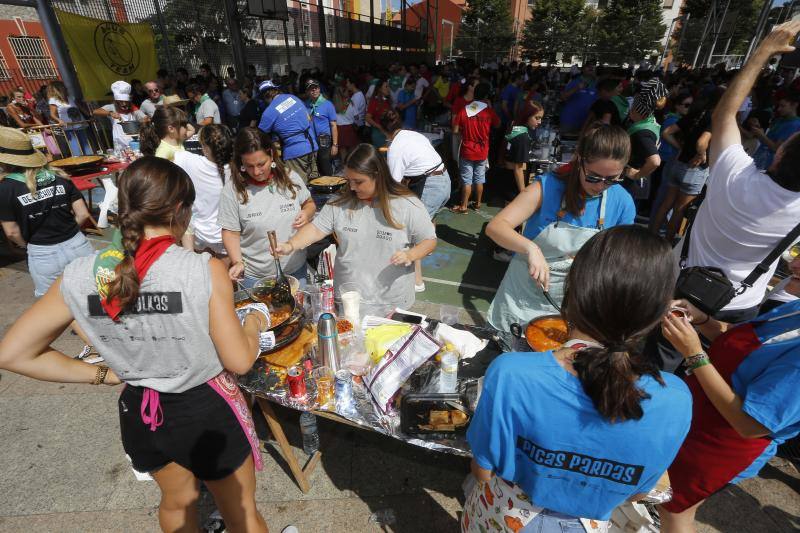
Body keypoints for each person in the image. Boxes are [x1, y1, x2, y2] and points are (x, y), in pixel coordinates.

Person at [0, 156, 270, 533]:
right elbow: (239, 360)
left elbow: (12, 353)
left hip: (140, 410)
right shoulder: (201, 269)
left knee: (176, 503)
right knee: (240, 512)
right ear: (179, 210)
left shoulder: (80, 274)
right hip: (203, 408)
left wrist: (102, 375)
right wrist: (256, 322)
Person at [464, 226, 692, 532]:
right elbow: (639, 491)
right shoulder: (676, 398)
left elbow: (482, 471)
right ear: (659, 313)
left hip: (502, 518)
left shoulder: (511, 373)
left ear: (572, 290)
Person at [646, 21, 800, 373]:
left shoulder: (734, 173)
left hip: (681, 287)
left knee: (659, 366)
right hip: (739, 303)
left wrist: (764, 51)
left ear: (778, 155)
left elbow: (724, 113)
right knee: (712, 371)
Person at [657, 257, 800, 532]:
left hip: (724, 443)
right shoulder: (794, 309)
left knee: (675, 508)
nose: (794, 263)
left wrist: (694, 354)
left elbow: (751, 425)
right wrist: (702, 320)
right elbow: (736, 338)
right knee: (661, 491)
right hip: (700, 415)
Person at [486, 123, 636, 332]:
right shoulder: (547, 186)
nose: (600, 186)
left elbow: (620, 258)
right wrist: (531, 249)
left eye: (611, 179)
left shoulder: (622, 201)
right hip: (524, 294)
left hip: (575, 300)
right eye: (593, 177)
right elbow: (496, 227)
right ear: (579, 159)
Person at [274, 143, 437, 310]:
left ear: (378, 175)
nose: (352, 187)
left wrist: (410, 255)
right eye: (349, 180)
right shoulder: (340, 203)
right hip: (349, 297)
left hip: (391, 302)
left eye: (358, 182)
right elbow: (316, 229)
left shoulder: (407, 205)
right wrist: (291, 245)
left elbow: (429, 240)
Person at [0, 126, 93, 297]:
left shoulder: (5, 189)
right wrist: (70, 232)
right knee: (93, 295)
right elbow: (83, 214)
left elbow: (12, 232)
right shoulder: (59, 176)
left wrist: (27, 245)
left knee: (54, 304)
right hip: (78, 244)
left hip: (43, 253)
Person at [218, 127, 315, 288]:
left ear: (271, 155)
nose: (256, 171)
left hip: (295, 271)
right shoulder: (232, 190)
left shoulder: (290, 177)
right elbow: (230, 231)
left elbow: (309, 203)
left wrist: (306, 213)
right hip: (256, 278)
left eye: (261, 164)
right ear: (240, 162)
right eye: (249, 166)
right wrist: (237, 262)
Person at [382, 110, 451, 292]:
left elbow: (393, 185)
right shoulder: (413, 134)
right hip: (444, 179)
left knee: (415, 232)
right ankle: (429, 246)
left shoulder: (395, 148)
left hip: (432, 186)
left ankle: (417, 282)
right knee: (430, 219)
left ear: (384, 131)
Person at [650, 94, 715, 241]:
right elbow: (701, 142)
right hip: (695, 169)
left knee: (666, 204)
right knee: (679, 210)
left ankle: (651, 237)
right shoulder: (713, 118)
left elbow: (666, 133)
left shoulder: (694, 115)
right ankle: (666, 244)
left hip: (678, 164)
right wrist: (702, 154)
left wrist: (681, 147)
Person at [173, 124, 232, 257]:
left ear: (205, 148)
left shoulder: (189, 161)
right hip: (226, 237)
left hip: (199, 235)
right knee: (225, 275)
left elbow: (169, 146)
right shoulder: (235, 169)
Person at [257, 80, 319, 182]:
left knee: (299, 186)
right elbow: (309, 118)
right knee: (315, 182)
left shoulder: (269, 112)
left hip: (295, 152)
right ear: (276, 89)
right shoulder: (293, 98)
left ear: (264, 96)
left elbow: (259, 135)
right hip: (312, 146)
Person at [452, 83, 500, 213]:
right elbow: (498, 124)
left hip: (467, 149)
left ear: (474, 94)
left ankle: (464, 206)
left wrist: (464, 130)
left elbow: (455, 130)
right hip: (483, 149)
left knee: (466, 180)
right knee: (480, 178)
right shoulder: (488, 111)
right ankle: (478, 203)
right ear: (486, 96)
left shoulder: (465, 109)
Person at [623, 78, 667, 209]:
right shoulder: (649, 122)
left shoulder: (642, 133)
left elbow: (655, 161)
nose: (629, 111)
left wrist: (636, 175)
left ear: (637, 110)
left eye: (632, 108)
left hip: (631, 184)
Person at [502, 102, 544, 196]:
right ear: (527, 116)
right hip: (513, 184)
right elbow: (518, 168)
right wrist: (523, 192)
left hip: (507, 176)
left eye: (541, 118)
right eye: (537, 118)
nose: (540, 122)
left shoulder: (516, 125)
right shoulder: (522, 137)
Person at [752, 92, 800, 170]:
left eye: (783, 106)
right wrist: (758, 127)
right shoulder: (781, 119)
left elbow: (776, 148)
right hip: (759, 159)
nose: (779, 109)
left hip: (767, 165)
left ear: (794, 105)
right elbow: (770, 138)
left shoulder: (794, 125)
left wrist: (761, 135)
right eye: (779, 106)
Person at [92, 81, 147, 149]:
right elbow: (95, 111)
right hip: (119, 144)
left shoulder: (133, 108)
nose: (124, 104)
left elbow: (145, 118)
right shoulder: (112, 107)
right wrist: (110, 113)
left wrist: (143, 122)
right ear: (116, 101)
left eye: (126, 101)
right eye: (121, 101)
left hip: (135, 143)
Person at [47, 81, 92, 156]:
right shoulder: (53, 100)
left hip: (79, 123)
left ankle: (90, 159)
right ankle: (78, 162)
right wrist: (59, 120)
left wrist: (90, 116)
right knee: (74, 146)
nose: (65, 88)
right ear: (57, 89)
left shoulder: (70, 97)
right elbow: (52, 114)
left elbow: (80, 107)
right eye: (62, 86)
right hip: (68, 126)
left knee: (85, 144)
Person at [304, 79, 338, 177]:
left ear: (319, 89)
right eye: (311, 89)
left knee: (325, 163)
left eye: (316, 88)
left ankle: (330, 186)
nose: (314, 90)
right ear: (307, 92)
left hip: (324, 138)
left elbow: (333, 125)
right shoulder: (305, 104)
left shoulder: (327, 104)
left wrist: (335, 145)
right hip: (310, 139)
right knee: (314, 164)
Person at [559, 62, 597, 135]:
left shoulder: (596, 85)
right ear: (582, 69)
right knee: (564, 142)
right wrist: (576, 88)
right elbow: (562, 97)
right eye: (588, 67)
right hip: (569, 120)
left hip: (586, 123)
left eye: (593, 67)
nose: (591, 68)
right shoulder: (574, 82)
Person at [365, 79, 393, 148]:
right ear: (380, 89)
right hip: (378, 133)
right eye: (386, 87)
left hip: (387, 132)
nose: (388, 89)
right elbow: (367, 118)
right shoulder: (374, 101)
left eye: (388, 86)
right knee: (382, 155)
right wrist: (378, 126)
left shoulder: (387, 101)